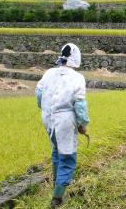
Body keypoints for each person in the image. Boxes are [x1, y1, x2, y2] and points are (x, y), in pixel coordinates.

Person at [35, 43, 90, 208]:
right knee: (68, 157)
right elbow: (80, 105)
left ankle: (56, 184)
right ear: (76, 58)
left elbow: (39, 94)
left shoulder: (49, 73)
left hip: (48, 118)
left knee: (56, 151)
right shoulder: (77, 78)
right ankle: (57, 198)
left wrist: (45, 107)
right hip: (65, 121)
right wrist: (83, 124)